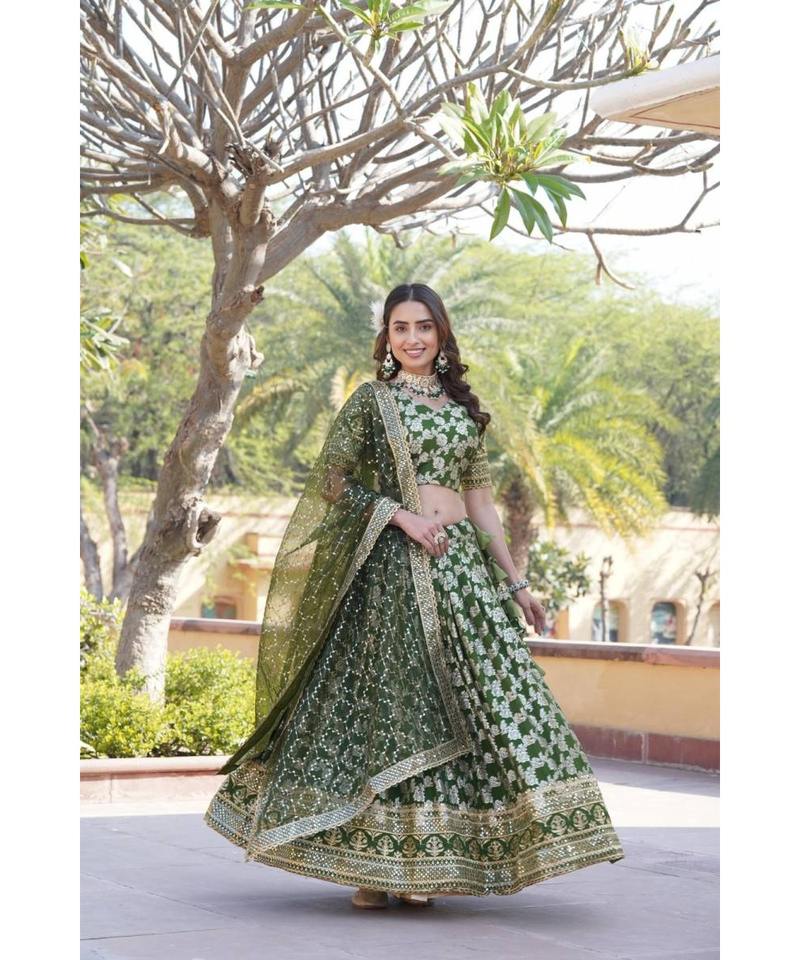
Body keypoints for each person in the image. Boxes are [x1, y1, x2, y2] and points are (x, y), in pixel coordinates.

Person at [203, 283, 625, 908]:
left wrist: (516, 583)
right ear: (387, 338)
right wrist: (400, 517)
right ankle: (374, 869)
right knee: (392, 706)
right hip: (390, 573)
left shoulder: (463, 411)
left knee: (486, 701)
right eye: (400, 328)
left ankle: (430, 860)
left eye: (423, 326)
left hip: (459, 573)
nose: (413, 338)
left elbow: (480, 503)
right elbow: (330, 482)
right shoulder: (372, 402)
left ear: (441, 333)